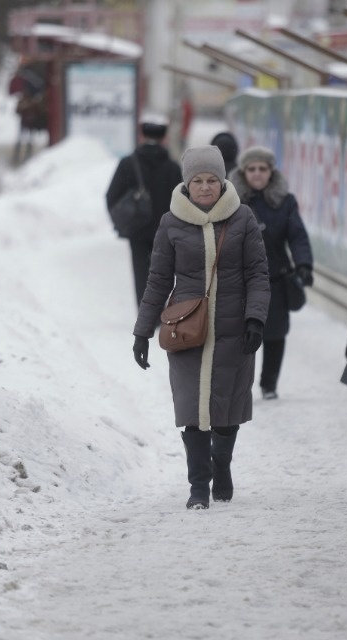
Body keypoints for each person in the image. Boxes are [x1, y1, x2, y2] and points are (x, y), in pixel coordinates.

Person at [132, 145, 270, 510]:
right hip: (187, 331)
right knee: (192, 410)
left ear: (223, 181)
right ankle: (198, 486)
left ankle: (221, 464)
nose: (206, 187)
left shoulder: (243, 218)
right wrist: (142, 332)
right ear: (187, 184)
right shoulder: (170, 223)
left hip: (234, 330)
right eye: (198, 181)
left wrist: (255, 318)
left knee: (226, 410)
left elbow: (258, 274)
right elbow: (158, 280)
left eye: (212, 180)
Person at [228, 146, 313, 400]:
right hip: (240, 280)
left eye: (262, 169)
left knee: (275, 333)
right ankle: (240, 383)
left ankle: (269, 383)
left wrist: (304, 264)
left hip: (275, 278)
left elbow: (297, 235)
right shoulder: (231, 201)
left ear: (271, 172)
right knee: (240, 333)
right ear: (243, 172)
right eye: (251, 169)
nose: (257, 174)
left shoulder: (285, 201)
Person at [105, 114, 183, 307]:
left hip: (136, 229)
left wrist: (122, 221)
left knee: (141, 270)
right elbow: (183, 200)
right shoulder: (172, 167)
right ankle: (159, 308)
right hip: (165, 230)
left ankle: (145, 310)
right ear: (164, 137)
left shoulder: (128, 164)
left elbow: (111, 195)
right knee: (162, 270)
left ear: (141, 135)